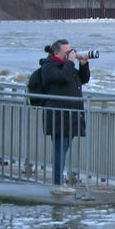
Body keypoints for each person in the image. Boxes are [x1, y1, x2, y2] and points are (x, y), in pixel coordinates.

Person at [39, 39, 90, 187]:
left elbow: (83, 79)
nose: (70, 54)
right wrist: (70, 62)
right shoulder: (48, 67)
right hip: (58, 116)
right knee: (60, 150)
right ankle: (57, 183)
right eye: (66, 52)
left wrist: (83, 65)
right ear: (56, 53)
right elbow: (61, 77)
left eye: (71, 51)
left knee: (64, 149)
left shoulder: (66, 67)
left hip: (71, 115)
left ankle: (58, 181)